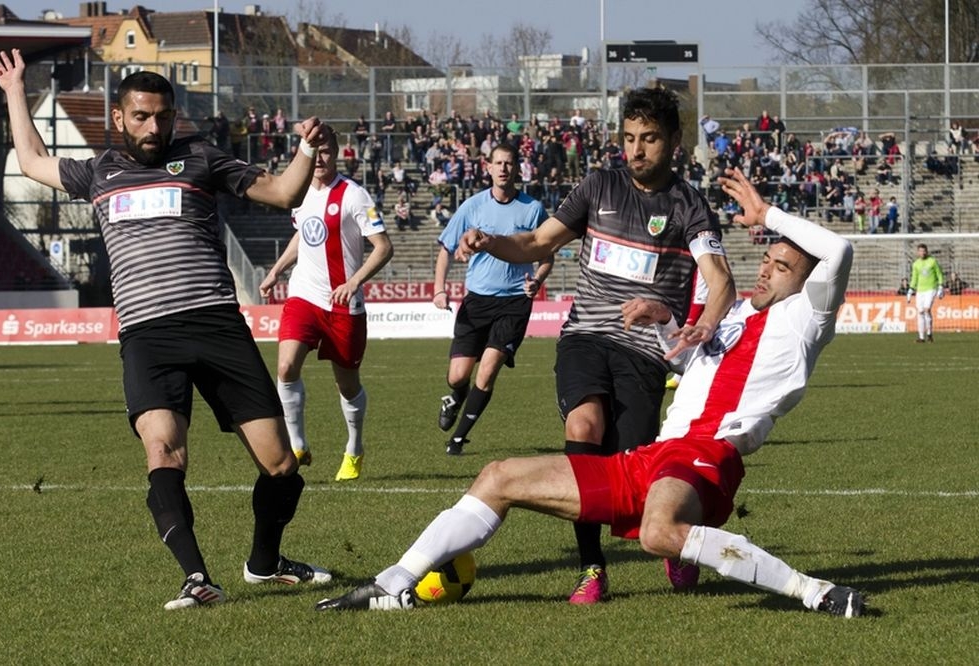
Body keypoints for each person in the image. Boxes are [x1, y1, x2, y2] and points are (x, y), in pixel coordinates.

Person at [315, 168, 864, 618]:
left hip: (706, 454)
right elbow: (687, 362)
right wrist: (664, 320)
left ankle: (813, 591)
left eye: (782, 267)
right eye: (766, 260)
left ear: (806, 280)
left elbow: (837, 249)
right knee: (498, 476)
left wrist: (767, 214)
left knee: (657, 532)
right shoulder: (737, 315)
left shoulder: (806, 317)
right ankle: (391, 583)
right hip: (654, 457)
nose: (766, 272)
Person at [0, 48, 333, 609]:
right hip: (148, 334)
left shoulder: (201, 158)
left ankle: (265, 563)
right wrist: (14, 91)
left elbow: (282, 193)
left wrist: (306, 150)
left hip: (217, 325)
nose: (154, 127)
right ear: (120, 118)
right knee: (164, 452)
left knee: (281, 466)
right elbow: (31, 161)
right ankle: (196, 578)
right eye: (142, 116)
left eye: (163, 116)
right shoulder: (98, 171)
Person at [453, 87, 735, 604]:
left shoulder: (688, 205)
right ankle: (591, 567)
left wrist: (705, 324)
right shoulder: (598, 185)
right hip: (584, 336)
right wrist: (490, 242)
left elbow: (720, 279)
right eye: (628, 138)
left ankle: (672, 540)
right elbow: (538, 242)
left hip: (645, 352)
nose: (636, 150)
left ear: (674, 141)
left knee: (632, 469)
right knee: (583, 427)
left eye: (649, 138)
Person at [259, 129, 393, 480]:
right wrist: (276, 270)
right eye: (313, 151)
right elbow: (303, 234)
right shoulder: (299, 192)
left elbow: (383, 246)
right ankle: (297, 444)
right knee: (286, 367)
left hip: (343, 305)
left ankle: (354, 447)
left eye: (326, 152)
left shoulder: (354, 195)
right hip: (304, 295)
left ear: (337, 154)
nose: (319, 159)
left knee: (347, 386)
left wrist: (354, 281)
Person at [433, 142, 554, 455]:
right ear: (488, 168)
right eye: (497, 163)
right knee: (457, 376)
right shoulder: (472, 206)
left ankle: (457, 439)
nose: (503, 168)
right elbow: (446, 248)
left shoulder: (533, 209)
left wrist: (537, 280)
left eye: (508, 163)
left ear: (517, 168)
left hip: (514, 302)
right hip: (477, 301)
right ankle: (456, 397)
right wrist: (439, 288)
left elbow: (547, 255)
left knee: (487, 371)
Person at [907, 243, 945, 343]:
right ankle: (921, 337)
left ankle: (929, 334)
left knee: (927, 309)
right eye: (920, 251)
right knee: (920, 312)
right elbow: (914, 278)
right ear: (917, 252)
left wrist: (941, 286)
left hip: (931, 288)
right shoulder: (916, 264)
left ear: (927, 251)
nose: (922, 253)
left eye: (924, 251)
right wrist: (911, 289)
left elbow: (939, 274)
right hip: (920, 290)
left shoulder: (932, 261)